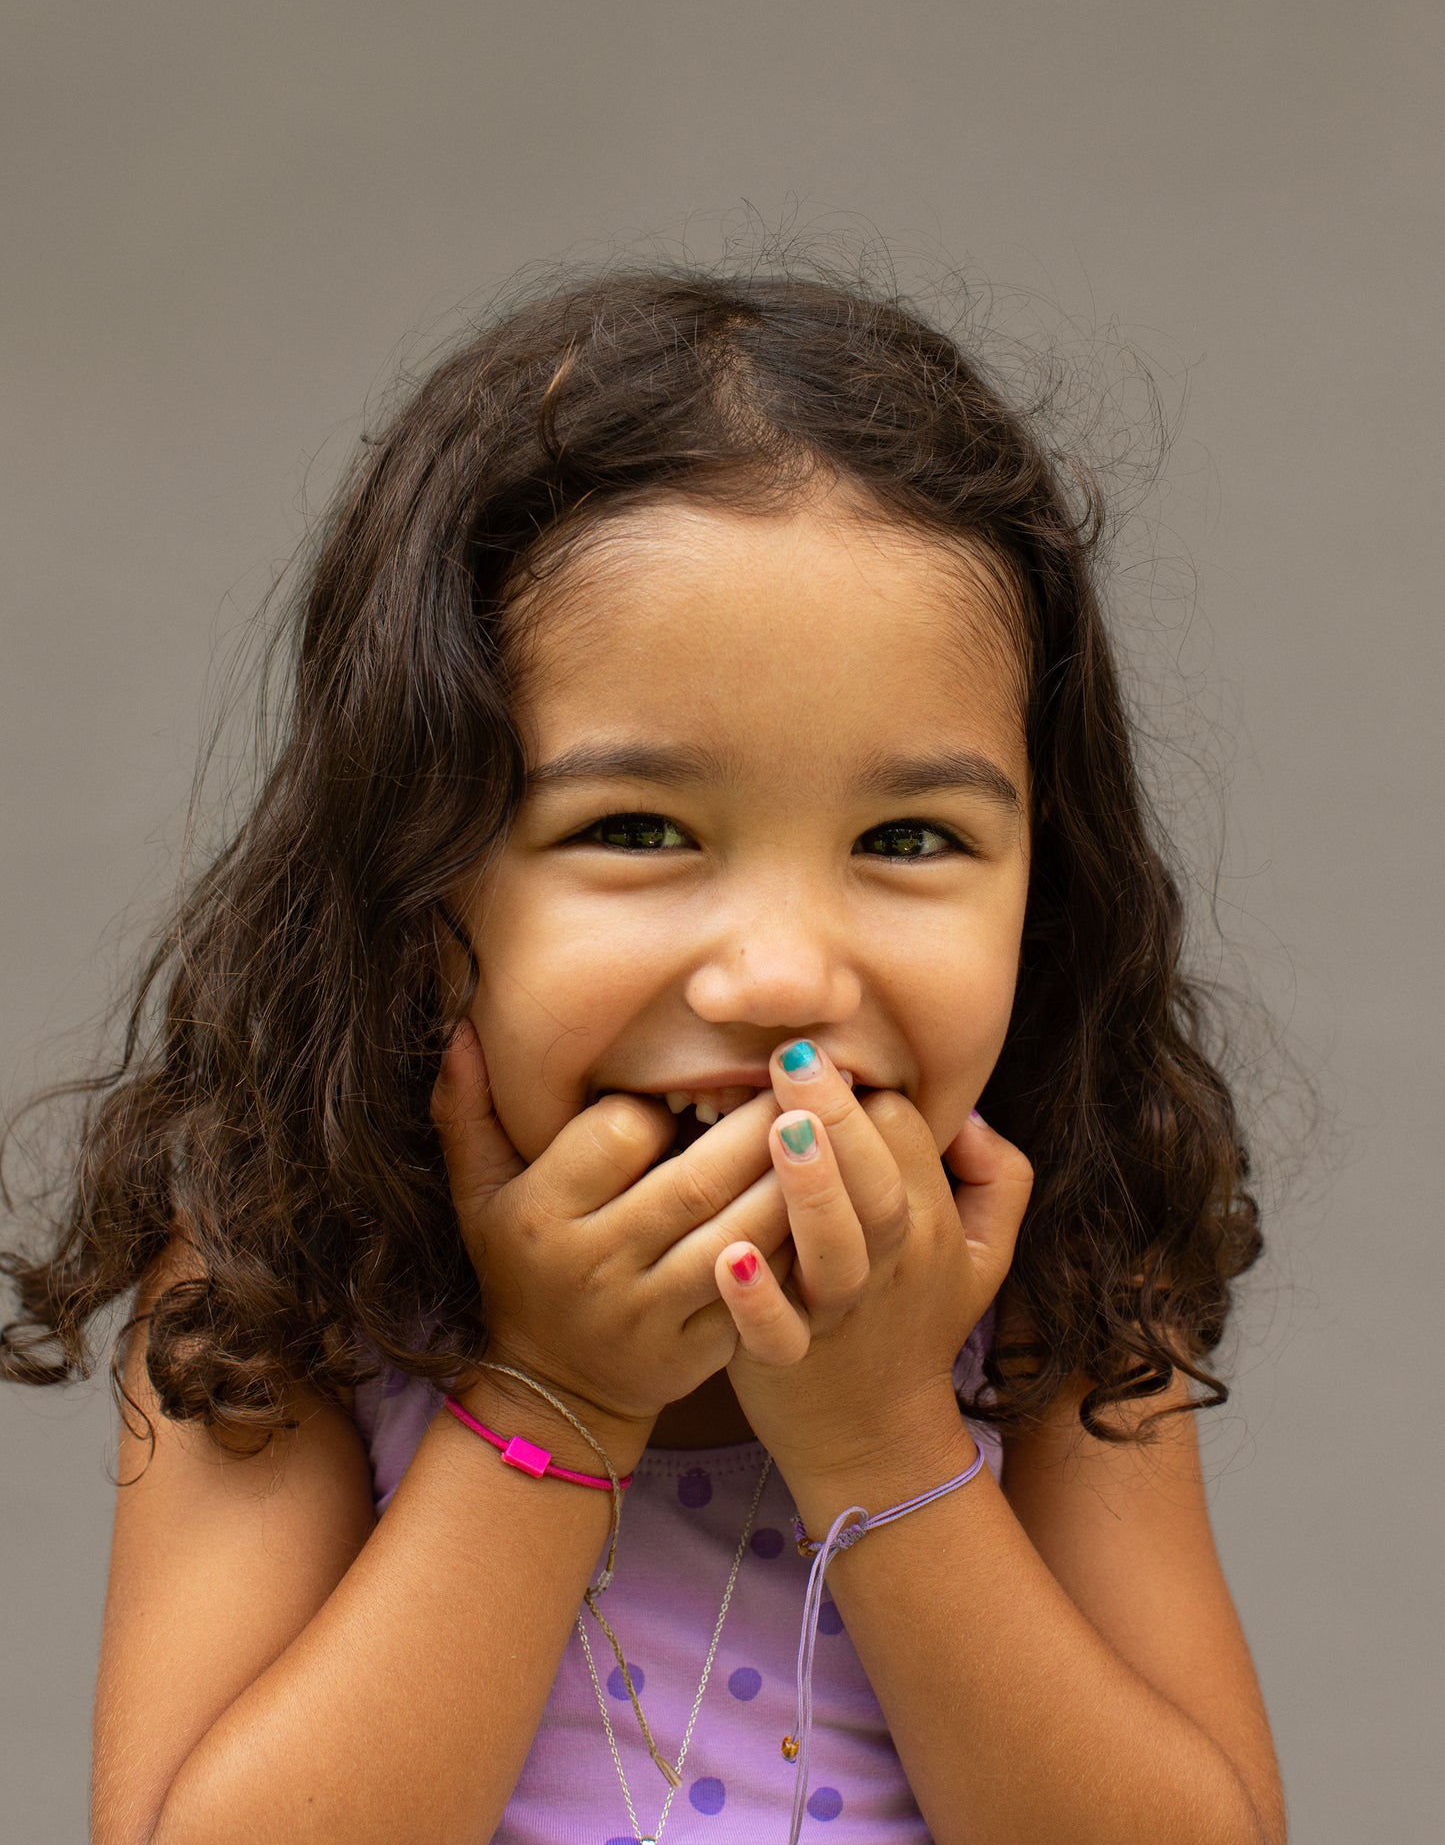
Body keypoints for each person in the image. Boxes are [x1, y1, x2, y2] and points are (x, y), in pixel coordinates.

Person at [1, 265, 1286, 1845]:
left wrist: (882, 1436)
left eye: (907, 836)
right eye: (635, 829)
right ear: (417, 881)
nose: (781, 977)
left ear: (1047, 891)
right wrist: (554, 1397)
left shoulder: (1052, 1299)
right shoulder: (283, 1274)